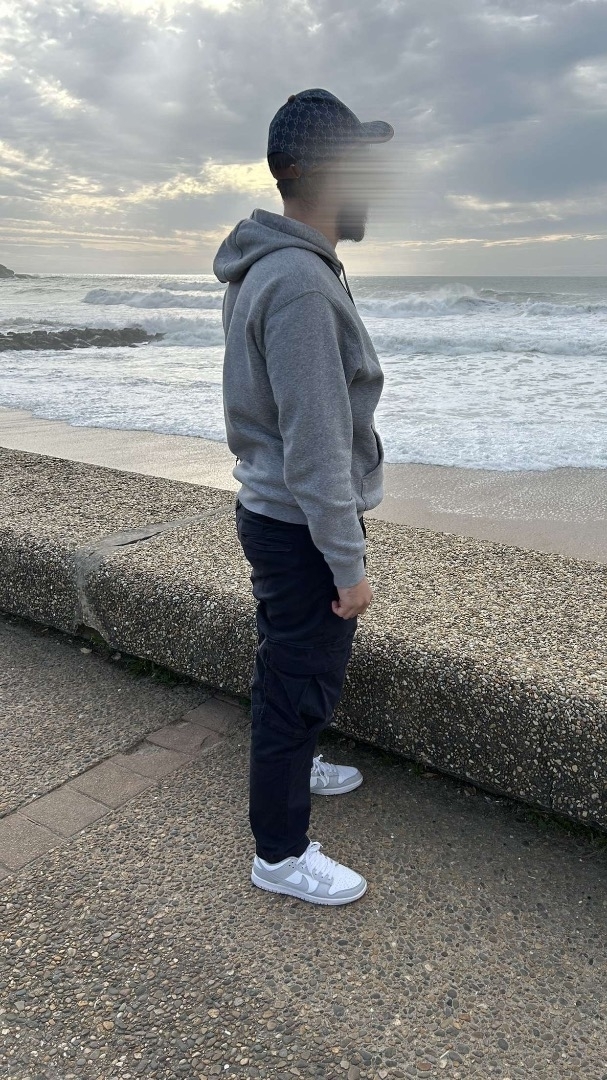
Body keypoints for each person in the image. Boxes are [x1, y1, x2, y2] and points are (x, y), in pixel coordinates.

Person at [213, 89, 393, 906]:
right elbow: (317, 449)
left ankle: (299, 763)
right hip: (300, 523)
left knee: (288, 666)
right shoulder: (301, 285)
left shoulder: (275, 266)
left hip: (273, 510)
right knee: (299, 679)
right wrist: (348, 566)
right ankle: (279, 855)